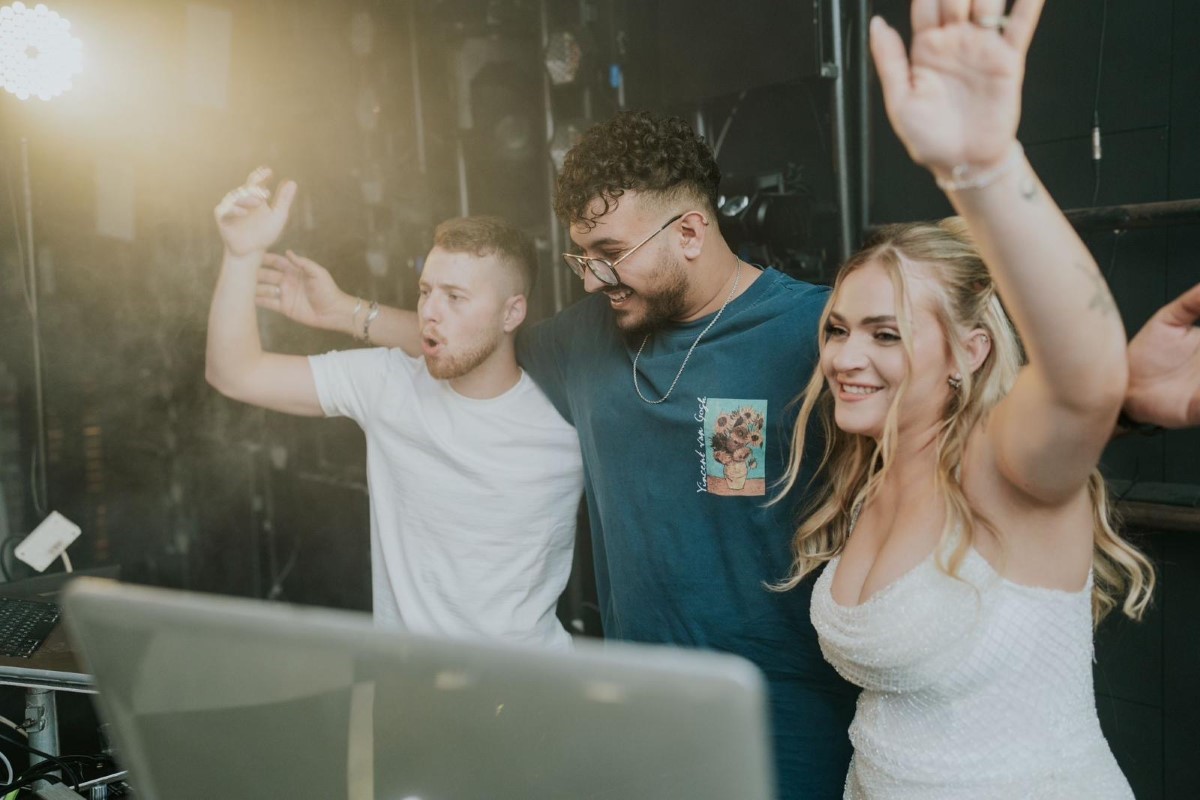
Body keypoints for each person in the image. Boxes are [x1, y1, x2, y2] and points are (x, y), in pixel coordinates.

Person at [777, 1, 1155, 796]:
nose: (845, 357)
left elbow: (1085, 381)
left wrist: (984, 170)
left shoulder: (1002, 467)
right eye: (838, 329)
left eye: (886, 334)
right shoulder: (875, 471)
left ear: (969, 351)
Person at [206, 169, 584, 650]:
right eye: (426, 291)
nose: (430, 311)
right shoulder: (389, 383)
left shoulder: (567, 416)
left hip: (528, 684)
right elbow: (235, 372)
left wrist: (344, 311)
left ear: (512, 312)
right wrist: (241, 255)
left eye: (455, 297)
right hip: (408, 682)